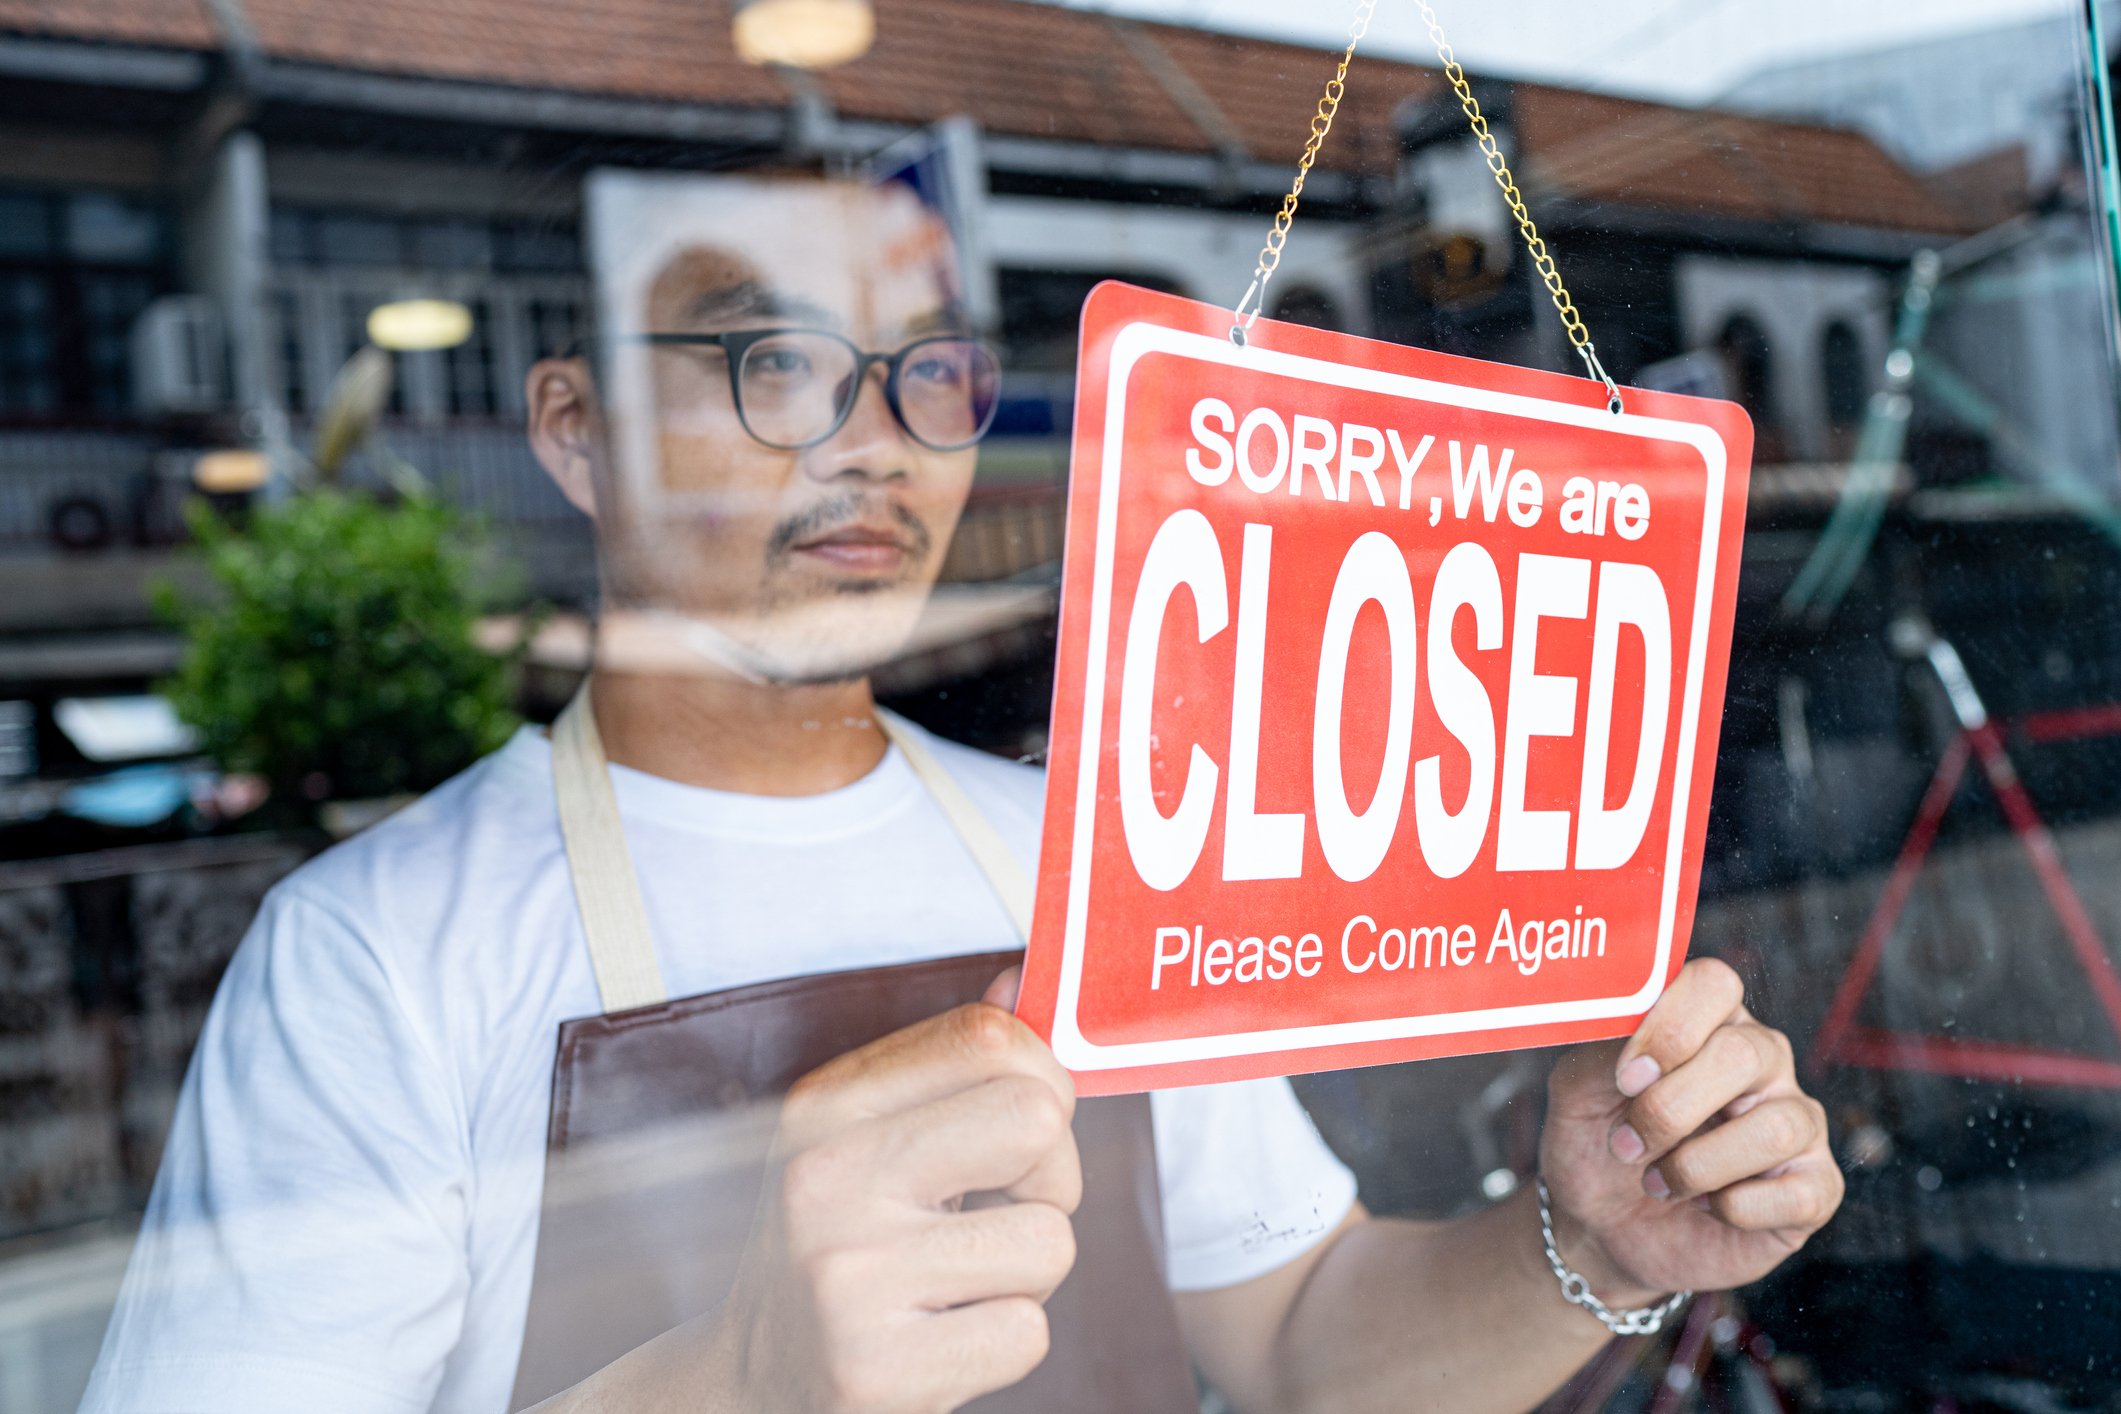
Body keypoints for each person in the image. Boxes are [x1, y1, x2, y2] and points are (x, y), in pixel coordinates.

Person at [82, 175, 1842, 1414]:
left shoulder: (1086, 852)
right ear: (578, 433)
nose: (868, 440)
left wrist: (1590, 1252)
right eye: (771, 360)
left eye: (924, 370)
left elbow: (1302, 1341)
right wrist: (741, 1379)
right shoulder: (371, 951)